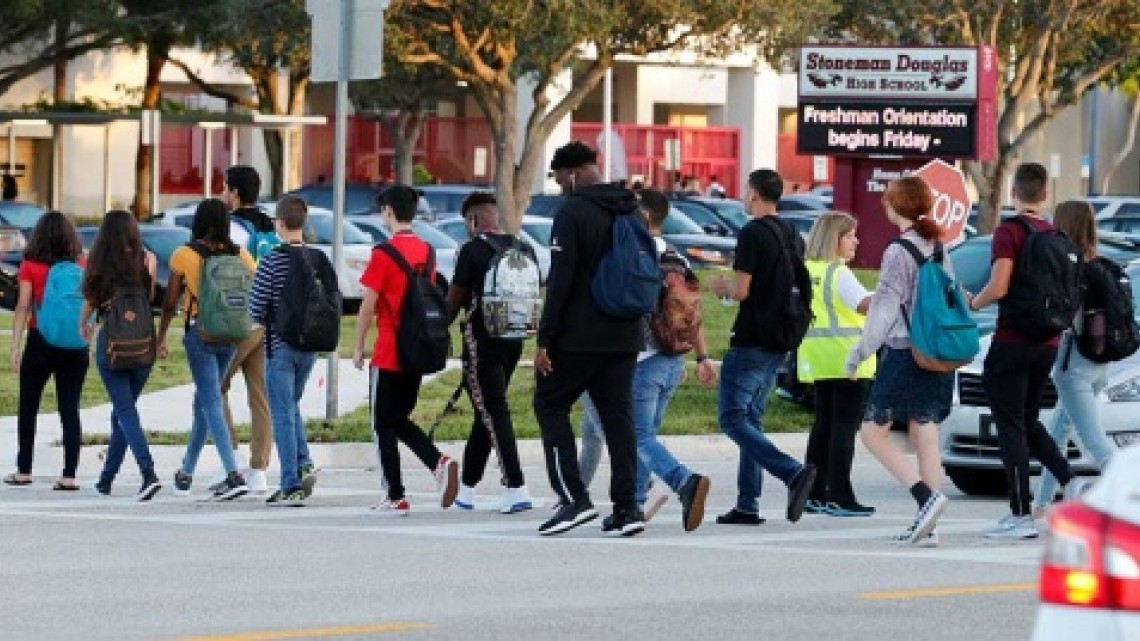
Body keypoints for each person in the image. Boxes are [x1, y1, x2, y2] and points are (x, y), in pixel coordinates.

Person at [532, 141, 645, 537]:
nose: (559, 185)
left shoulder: (573, 212)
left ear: (572, 173)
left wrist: (545, 339)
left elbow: (560, 280)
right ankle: (628, 508)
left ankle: (573, 499)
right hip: (626, 331)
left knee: (549, 403)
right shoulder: (630, 208)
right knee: (618, 418)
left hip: (580, 335)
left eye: (559, 177)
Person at [969, 163, 1080, 539]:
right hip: (1047, 342)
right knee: (1028, 420)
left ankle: (1020, 514)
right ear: (1045, 194)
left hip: (1012, 340)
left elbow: (999, 285)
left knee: (1011, 425)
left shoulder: (1009, 232)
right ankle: (1070, 481)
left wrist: (973, 303)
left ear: (1014, 193)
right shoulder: (1056, 235)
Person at [847, 177, 953, 545]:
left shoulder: (898, 250)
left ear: (898, 206)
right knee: (925, 432)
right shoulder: (938, 246)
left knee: (872, 433)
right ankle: (931, 526)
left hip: (905, 352)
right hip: (936, 350)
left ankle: (925, 498)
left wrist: (859, 353)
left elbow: (884, 310)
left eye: (888, 201)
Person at [708, 168, 817, 527]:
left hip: (752, 336)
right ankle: (747, 504)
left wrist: (722, 287)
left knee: (732, 418)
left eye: (746, 190)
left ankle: (791, 472)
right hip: (781, 336)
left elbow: (742, 291)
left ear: (754, 193)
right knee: (751, 419)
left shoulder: (752, 232)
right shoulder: (791, 232)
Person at [353, 184, 459, 515]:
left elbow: (368, 305)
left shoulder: (383, 253)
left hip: (388, 350)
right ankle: (437, 462)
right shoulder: (427, 252)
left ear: (388, 211)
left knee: (382, 424)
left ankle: (394, 495)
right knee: (398, 419)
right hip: (418, 347)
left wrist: (358, 346)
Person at [626, 188, 717, 531]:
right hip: (673, 359)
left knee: (638, 436)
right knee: (646, 436)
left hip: (643, 359)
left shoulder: (638, 254)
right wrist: (702, 356)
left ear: (645, 216)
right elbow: (693, 314)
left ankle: (684, 481)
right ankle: (634, 504)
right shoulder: (678, 258)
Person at [157, 198, 252, 501]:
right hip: (232, 334)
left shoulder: (184, 254)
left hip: (200, 334)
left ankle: (233, 474)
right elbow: (252, 286)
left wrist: (161, 337)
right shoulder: (240, 254)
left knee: (210, 402)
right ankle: (186, 473)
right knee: (204, 402)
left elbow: (170, 303)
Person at [445, 191, 533, 514]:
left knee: (493, 411)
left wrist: (436, 327)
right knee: (486, 412)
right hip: (515, 338)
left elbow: (455, 299)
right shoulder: (521, 247)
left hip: (481, 342)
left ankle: (516, 487)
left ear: (472, 221)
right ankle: (466, 491)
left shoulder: (471, 250)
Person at [1033, 201, 1117, 516]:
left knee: (1095, 443)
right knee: (1057, 431)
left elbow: (1061, 317)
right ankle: (1040, 504)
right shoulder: (1102, 265)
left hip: (1074, 366)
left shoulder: (1071, 268)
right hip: (1100, 363)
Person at [248, 195, 326, 506]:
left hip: (280, 345)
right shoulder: (318, 258)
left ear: (279, 224)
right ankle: (303, 461)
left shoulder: (273, 260)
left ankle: (291, 482)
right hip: (312, 345)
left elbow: (256, 306)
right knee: (291, 405)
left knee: (281, 412)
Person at [80, 210, 161, 500]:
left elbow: (91, 300)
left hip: (113, 346)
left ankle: (148, 472)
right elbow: (149, 298)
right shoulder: (148, 260)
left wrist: (83, 323)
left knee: (125, 411)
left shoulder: (100, 262)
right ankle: (106, 479)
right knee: (123, 413)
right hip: (143, 344)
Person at [798, 212, 875, 517]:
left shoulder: (807, 270)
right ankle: (840, 495)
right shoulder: (838, 273)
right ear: (834, 239)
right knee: (843, 429)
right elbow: (864, 305)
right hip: (848, 359)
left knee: (823, 425)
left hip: (818, 357)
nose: (856, 241)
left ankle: (814, 492)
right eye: (850, 236)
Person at [6, 211, 88, 489]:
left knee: (29, 406)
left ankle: (24, 470)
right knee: (70, 408)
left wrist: (15, 346)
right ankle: (69, 475)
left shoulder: (30, 266)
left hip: (40, 340)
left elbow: (23, 306)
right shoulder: (82, 263)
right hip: (74, 343)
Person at [219, 165, 274, 494]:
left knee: (214, 387)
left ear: (235, 192)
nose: (223, 193)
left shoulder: (232, 228)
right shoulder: (271, 226)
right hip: (268, 320)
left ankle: (233, 460)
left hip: (238, 320)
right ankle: (259, 469)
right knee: (261, 396)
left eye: (225, 188)